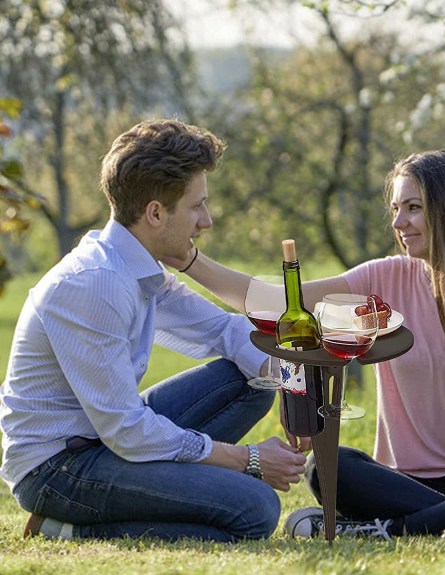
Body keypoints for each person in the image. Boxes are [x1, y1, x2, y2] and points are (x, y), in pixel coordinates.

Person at [175, 149, 445, 540]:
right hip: (398, 483)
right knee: (329, 467)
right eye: (396, 209)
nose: (399, 222)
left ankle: (387, 530)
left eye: (414, 207)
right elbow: (275, 301)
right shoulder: (385, 279)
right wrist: (189, 259)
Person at [0, 119, 306, 542]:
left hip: (103, 440)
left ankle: (155, 493)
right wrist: (248, 459)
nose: (207, 221)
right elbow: (126, 429)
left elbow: (225, 331)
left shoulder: (138, 266)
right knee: (256, 508)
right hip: (59, 468)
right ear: (156, 213)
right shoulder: (96, 282)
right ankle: (65, 527)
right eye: (197, 206)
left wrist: (297, 389)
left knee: (253, 379)